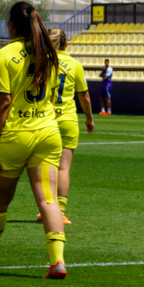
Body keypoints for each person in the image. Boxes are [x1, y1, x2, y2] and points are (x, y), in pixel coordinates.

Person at [0, 1, 68, 279]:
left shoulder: (5, 55)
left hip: (16, 136)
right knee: (48, 200)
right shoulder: (50, 52)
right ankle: (57, 262)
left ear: (11, 25)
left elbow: (4, 104)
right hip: (48, 133)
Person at [37, 28, 96, 225]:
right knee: (63, 168)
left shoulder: (42, 62)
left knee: (45, 166)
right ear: (66, 44)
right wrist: (89, 118)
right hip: (68, 120)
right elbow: (84, 96)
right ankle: (60, 212)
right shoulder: (75, 65)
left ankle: (46, 209)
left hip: (45, 120)